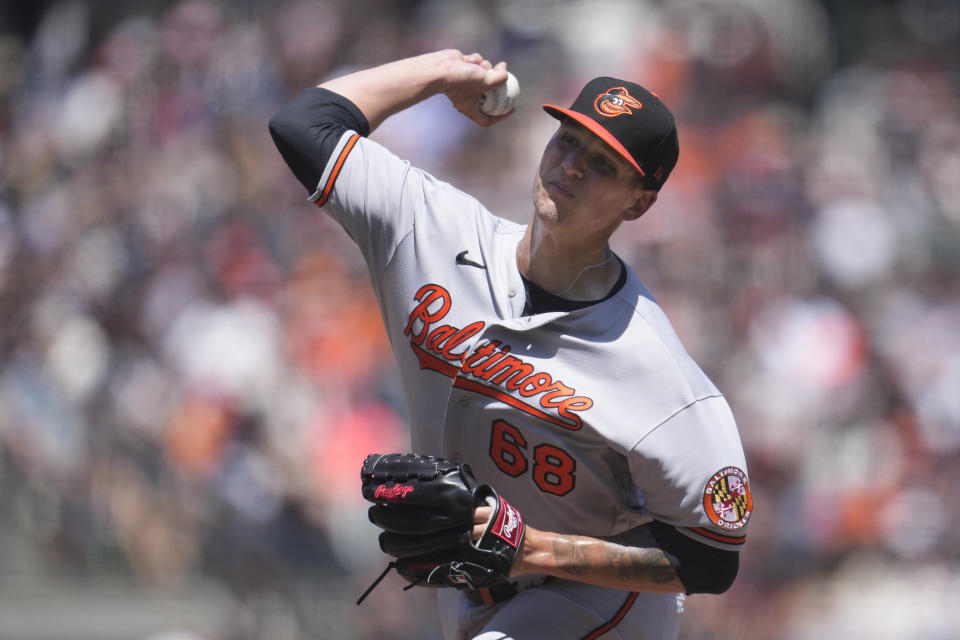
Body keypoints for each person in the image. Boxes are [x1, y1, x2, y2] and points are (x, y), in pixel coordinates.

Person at [269, 49, 751, 640]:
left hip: (598, 601)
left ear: (639, 201)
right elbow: (303, 124)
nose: (571, 166)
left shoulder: (657, 369)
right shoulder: (431, 230)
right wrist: (443, 72)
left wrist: (538, 550)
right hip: (469, 593)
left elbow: (710, 559)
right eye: (568, 141)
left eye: (602, 164)